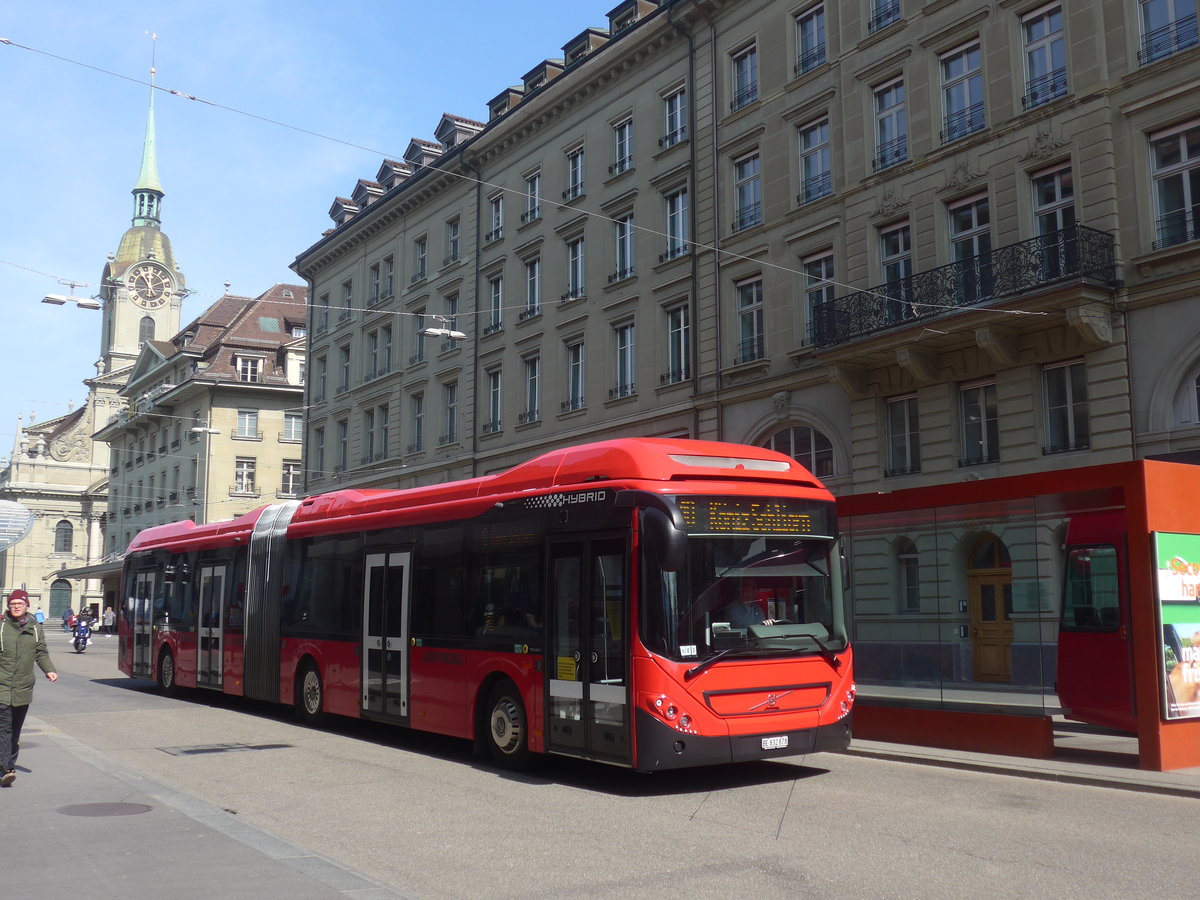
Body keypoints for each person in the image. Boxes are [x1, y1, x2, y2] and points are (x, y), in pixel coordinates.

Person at [0, 589, 57, 786]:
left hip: (23, 687)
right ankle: (5, 769)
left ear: (27, 606)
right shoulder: (1, 626)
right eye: (13, 603)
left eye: (20, 603)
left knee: (15, 731)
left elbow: (41, 652)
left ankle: (8, 765)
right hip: (2, 686)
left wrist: (49, 670)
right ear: (8, 606)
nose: (16, 606)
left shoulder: (35, 628)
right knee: (3, 729)